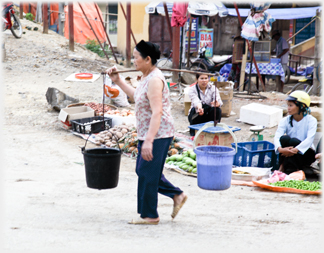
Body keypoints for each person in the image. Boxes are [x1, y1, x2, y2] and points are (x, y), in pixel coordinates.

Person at [106, 40, 187, 225]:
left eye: (136, 58)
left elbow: (157, 111)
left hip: (159, 133)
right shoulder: (146, 77)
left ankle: (150, 215)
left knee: (146, 172)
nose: (133, 61)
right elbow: (136, 96)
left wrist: (149, 141)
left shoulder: (155, 80)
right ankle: (177, 195)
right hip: (146, 131)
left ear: (148, 59)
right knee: (144, 170)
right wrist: (117, 81)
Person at [274, 91, 317, 175]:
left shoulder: (311, 120)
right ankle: (283, 166)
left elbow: (309, 139)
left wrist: (296, 150)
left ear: (301, 106)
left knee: (293, 141)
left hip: (306, 154)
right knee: (284, 139)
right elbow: (277, 136)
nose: (288, 108)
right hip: (288, 151)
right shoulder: (285, 120)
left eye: (291, 105)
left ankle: (296, 169)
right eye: (288, 105)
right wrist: (280, 149)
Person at [187, 70, 223, 136]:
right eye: (202, 78)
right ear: (197, 79)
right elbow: (195, 100)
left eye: (206, 78)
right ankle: (194, 132)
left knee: (217, 110)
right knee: (194, 111)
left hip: (208, 115)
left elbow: (218, 100)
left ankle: (214, 130)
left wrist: (217, 103)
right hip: (197, 114)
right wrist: (199, 108)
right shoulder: (192, 89)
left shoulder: (213, 88)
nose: (204, 81)